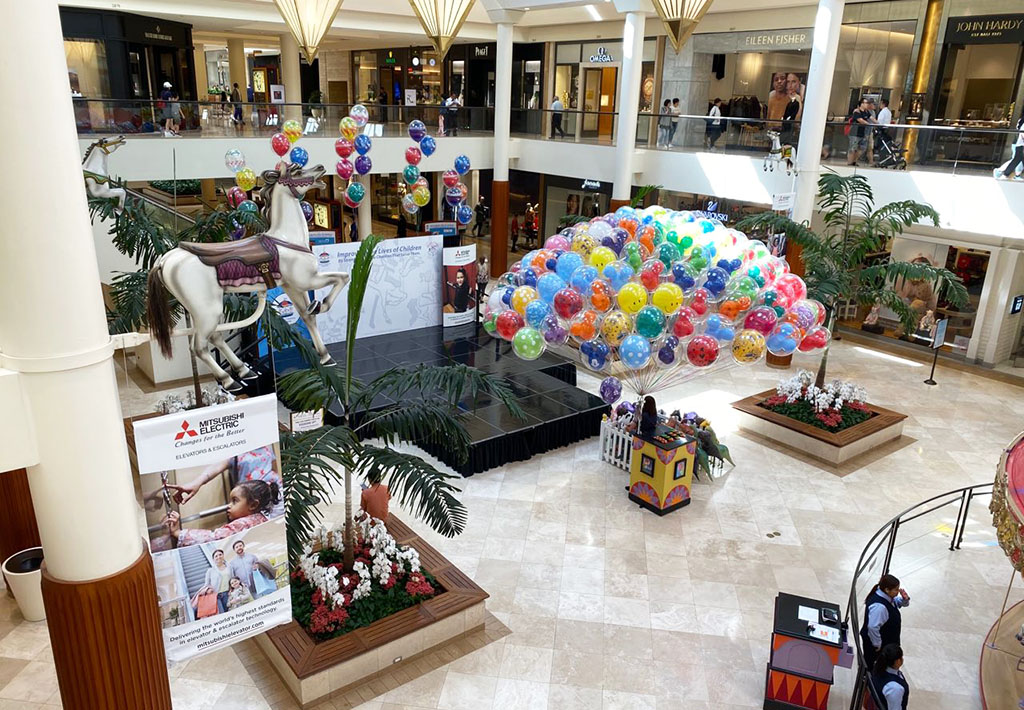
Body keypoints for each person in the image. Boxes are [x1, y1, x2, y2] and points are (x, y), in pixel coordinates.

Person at [167, 445, 283, 518]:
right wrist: (197, 482)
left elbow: (274, 469)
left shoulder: (266, 441)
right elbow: (217, 466)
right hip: (252, 502)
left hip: (276, 496)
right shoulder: (235, 447)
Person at [162, 479, 281, 547]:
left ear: (253, 505)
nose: (229, 506)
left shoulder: (243, 523)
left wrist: (178, 533)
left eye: (235, 501)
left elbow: (215, 537)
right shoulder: (262, 520)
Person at [860, 573, 910, 671]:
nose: (897, 592)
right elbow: (873, 627)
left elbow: (896, 602)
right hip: (878, 647)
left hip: (885, 643)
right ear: (887, 590)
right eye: (896, 589)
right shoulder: (880, 607)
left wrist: (905, 599)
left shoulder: (885, 596)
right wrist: (877, 644)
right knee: (873, 668)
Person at [869, 644, 909, 710]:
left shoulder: (878, 669)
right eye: (901, 657)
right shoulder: (895, 688)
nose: (903, 659)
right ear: (897, 662)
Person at [198, 549, 231, 614]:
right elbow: (206, 584)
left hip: (228, 593)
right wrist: (208, 590)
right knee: (221, 613)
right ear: (213, 559)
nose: (218, 557)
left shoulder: (229, 567)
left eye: (220, 555)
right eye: (216, 556)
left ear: (223, 556)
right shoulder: (210, 570)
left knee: (229, 612)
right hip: (216, 595)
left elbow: (233, 578)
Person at [848, 97, 874, 166]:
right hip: (854, 133)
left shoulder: (866, 112)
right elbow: (860, 120)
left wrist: (879, 124)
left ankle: (854, 161)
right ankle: (850, 163)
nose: (867, 105)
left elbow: (872, 118)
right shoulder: (857, 111)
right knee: (852, 148)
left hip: (862, 133)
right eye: (866, 103)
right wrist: (869, 124)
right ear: (862, 104)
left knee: (862, 148)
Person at [997, 115, 1024, 180]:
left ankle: (1006, 174)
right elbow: (1022, 133)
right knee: (1016, 159)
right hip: (1021, 145)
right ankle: (1003, 173)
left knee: (1017, 159)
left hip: (1020, 144)